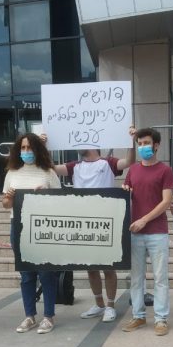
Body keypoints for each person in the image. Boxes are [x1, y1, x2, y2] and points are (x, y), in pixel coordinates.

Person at [53, 130, 136, 323]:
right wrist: (43, 145)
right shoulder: (74, 166)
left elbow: (129, 161)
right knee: (90, 268)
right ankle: (99, 305)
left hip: (107, 223)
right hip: (84, 225)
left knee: (108, 267)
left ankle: (110, 306)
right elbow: (51, 168)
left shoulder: (108, 163)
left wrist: (130, 141)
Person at [2, 133, 62, 334]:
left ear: (37, 149)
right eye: (23, 148)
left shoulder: (48, 172)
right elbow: (5, 204)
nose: (26, 151)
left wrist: (46, 193)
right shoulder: (12, 173)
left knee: (46, 273)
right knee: (26, 274)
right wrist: (9, 197)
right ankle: (29, 316)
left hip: (44, 227)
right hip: (19, 226)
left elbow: (61, 201)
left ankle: (48, 316)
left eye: (30, 147)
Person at [121, 128, 173, 336]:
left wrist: (144, 219)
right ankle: (138, 316)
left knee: (160, 278)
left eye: (146, 143)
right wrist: (125, 191)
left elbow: (166, 201)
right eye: (140, 143)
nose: (143, 147)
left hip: (157, 232)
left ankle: (161, 319)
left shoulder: (165, 171)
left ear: (156, 145)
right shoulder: (133, 170)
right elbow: (126, 193)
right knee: (136, 278)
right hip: (135, 232)